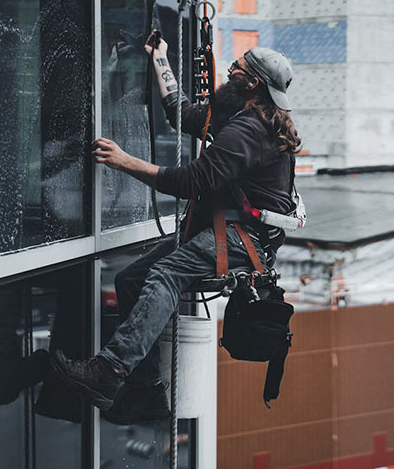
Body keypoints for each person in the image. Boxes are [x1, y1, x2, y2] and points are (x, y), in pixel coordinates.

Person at [51, 34, 301, 420]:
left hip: (240, 239)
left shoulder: (249, 130)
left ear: (251, 84)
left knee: (165, 273)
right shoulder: (239, 116)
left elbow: (189, 182)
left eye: (238, 67)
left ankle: (110, 370)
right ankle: (146, 390)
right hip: (234, 231)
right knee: (133, 280)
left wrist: (123, 161)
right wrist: (160, 58)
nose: (230, 69)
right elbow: (181, 114)